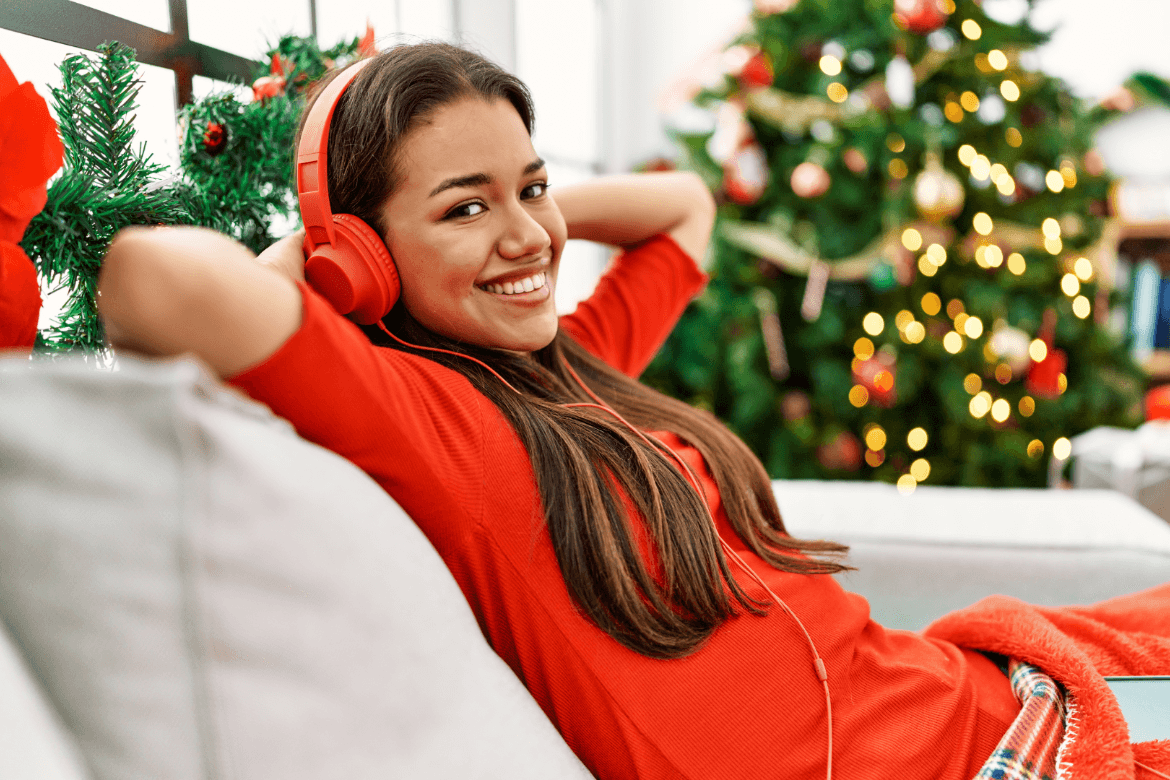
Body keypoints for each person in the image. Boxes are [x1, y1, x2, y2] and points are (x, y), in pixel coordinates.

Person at [96, 42, 1170, 780]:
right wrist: (332, 266)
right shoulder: (427, 418)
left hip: (971, 689)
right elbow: (156, 280)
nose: (530, 238)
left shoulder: (561, 364)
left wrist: (509, 211)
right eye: (465, 207)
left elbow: (683, 213)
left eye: (535, 184)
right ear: (368, 254)